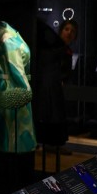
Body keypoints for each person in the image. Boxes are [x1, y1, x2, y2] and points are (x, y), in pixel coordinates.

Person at [33, 18, 78, 153]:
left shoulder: (66, 50)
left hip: (55, 88)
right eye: (66, 29)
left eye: (72, 31)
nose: (69, 33)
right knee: (47, 113)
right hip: (46, 86)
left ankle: (52, 143)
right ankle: (45, 142)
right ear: (61, 30)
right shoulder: (52, 48)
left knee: (54, 114)